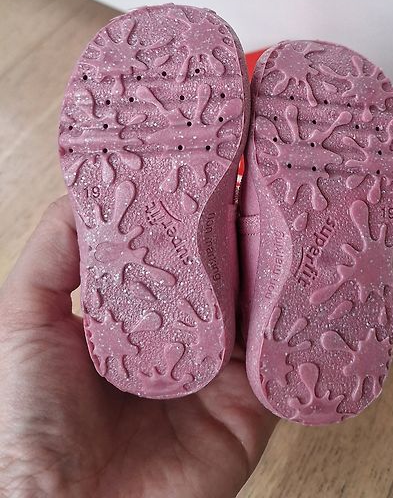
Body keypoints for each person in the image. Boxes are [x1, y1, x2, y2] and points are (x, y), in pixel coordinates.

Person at [0, 197, 276, 497]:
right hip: (198, 417)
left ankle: (260, 223)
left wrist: (38, 484)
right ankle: (262, 225)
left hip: (108, 444)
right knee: (247, 234)